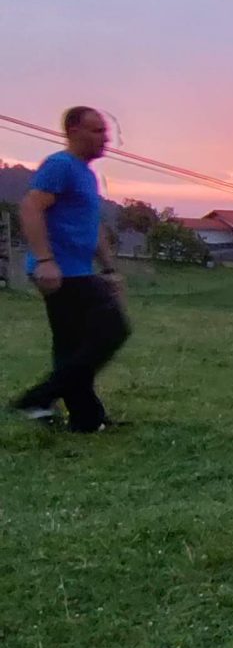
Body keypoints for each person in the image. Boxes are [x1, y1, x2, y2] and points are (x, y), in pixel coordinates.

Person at [8, 107, 130, 434]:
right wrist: (45, 260)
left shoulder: (86, 175)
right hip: (61, 271)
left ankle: (86, 419)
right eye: (96, 131)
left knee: (72, 346)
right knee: (113, 329)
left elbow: (93, 226)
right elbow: (30, 207)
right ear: (73, 131)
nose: (105, 138)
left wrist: (109, 269)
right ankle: (37, 399)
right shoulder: (60, 166)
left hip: (78, 269)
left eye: (105, 131)